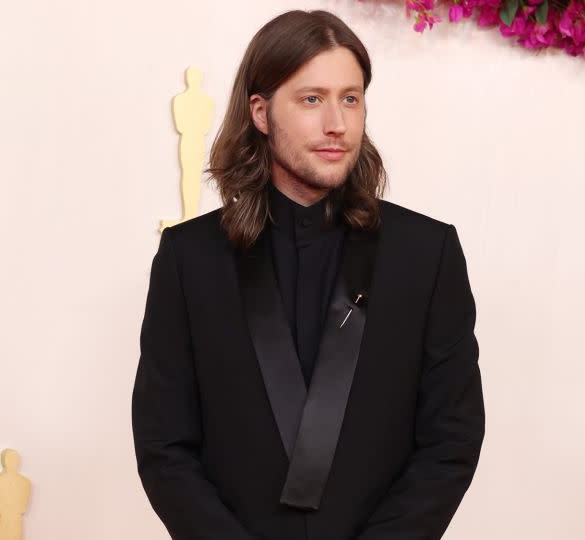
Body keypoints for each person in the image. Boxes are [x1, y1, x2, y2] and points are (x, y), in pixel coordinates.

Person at [131, 9, 485, 540]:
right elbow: (164, 448)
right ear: (260, 111)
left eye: (351, 97)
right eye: (311, 99)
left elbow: (451, 442)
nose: (337, 124)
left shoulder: (426, 254)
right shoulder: (189, 259)